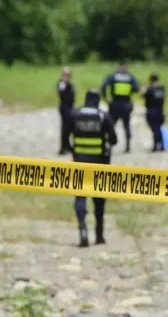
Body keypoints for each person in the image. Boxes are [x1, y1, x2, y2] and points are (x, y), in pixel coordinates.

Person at [66, 89, 118, 247]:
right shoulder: (103, 115)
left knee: (80, 196)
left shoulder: (75, 114)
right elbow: (114, 140)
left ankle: (82, 229)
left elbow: (64, 137)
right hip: (99, 163)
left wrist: (74, 151)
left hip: (80, 162)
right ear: (97, 100)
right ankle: (99, 234)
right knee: (99, 200)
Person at [100, 60, 140, 153]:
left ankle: (108, 144)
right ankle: (128, 146)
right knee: (126, 125)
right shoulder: (130, 77)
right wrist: (130, 94)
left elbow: (103, 86)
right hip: (126, 104)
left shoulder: (114, 76)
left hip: (115, 103)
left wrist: (106, 98)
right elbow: (136, 88)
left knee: (111, 125)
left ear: (118, 66)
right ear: (126, 67)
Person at [141, 73, 165, 152]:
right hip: (160, 110)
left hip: (151, 111)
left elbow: (142, 95)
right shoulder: (162, 88)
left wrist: (144, 89)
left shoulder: (149, 89)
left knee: (155, 129)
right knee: (158, 128)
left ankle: (156, 146)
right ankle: (161, 145)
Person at [57, 66, 76, 155]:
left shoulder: (71, 84)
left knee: (69, 127)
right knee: (65, 128)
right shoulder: (62, 83)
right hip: (65, 108)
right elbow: (61, 90)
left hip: (70, 107)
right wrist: (64, 80)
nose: (68, 76)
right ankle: (63, 147)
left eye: (69, 74)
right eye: (66, 74)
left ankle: (67, 145)